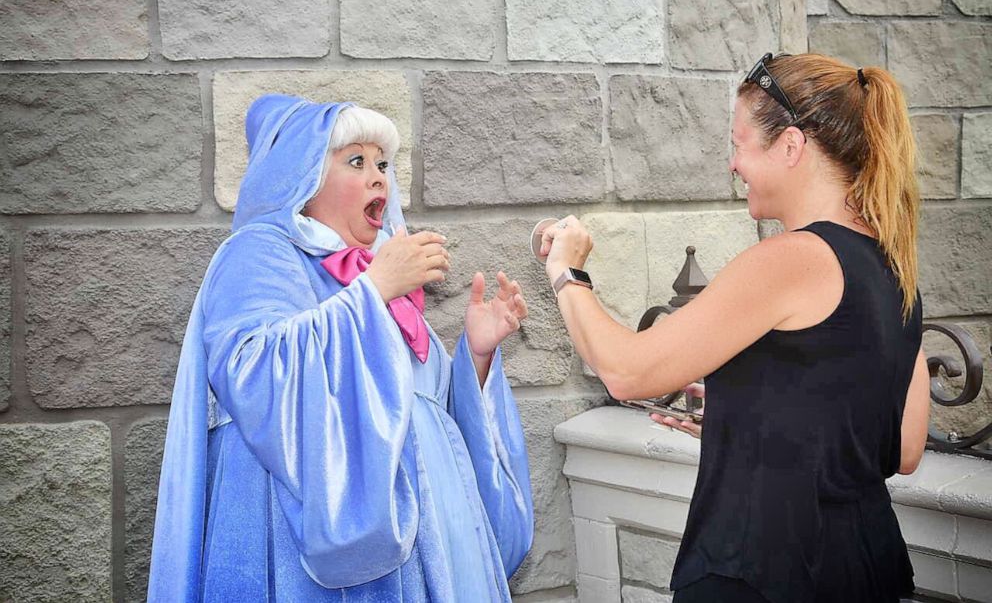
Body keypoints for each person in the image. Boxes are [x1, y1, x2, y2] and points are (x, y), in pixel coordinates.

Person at [540, 53, 929, 603]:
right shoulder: (897, 268)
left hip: (765, 566)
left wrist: (567, 269)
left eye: (740, 142)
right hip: (868, 565)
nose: (732, 163)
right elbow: (903, 447)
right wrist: (755, 419)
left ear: (790, 146)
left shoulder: (792, 258)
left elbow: (626, 372)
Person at [148, 96, 534, 601]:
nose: (379, 177)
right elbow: (253, 369)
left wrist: (476, 355)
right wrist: (373, 292)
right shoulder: (261, 251)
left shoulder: (378, 275)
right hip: (296, 531)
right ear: (303, 179)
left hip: (427, 537)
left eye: (383, 164)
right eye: (356, 161)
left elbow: (423, 406)